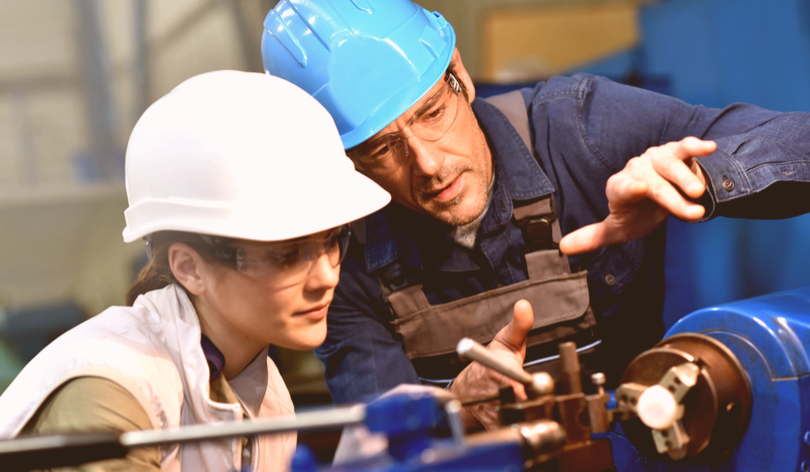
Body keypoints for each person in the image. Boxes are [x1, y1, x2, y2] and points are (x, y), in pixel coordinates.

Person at [261, 0, 810, 430]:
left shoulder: (580, 133)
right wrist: (452, 411)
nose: (427, 164)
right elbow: (381, 452)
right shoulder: (342, 261)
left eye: (431, 113)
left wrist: (699, 177)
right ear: (345, 162)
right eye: (382, 149)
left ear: (459, 73)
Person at [0, 70, 390, 472]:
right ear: (190, 268)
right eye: (287, 254)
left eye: (332, 241)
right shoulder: (110, 392)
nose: (326, 277)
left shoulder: (266, 398)